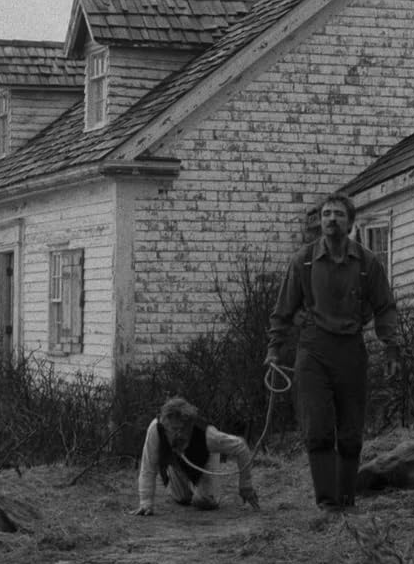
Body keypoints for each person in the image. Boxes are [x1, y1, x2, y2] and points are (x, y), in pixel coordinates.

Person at [265, 192, 400, 512]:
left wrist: (392, 348)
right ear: (320, 221)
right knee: (318, 429)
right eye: (326, 214)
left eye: (339, 214)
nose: (331, 219)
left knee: (351, 432)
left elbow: (385, 307)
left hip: (351, 349)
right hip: (313, 350)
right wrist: (274, 349)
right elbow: (283, 309)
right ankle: (327, 503)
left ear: (350, 223)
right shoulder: (303, 260)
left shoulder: (367, 263)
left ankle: (346, 500)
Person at [132, 396, 260, 515]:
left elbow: (240, 446)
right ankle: (183, 482)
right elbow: (148, 467)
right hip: (177, 462)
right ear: (165, 424)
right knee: (182, 498)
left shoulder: (208, 435)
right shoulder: (155, 429)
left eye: (183, 429)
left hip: (205, 459)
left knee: (205, 501)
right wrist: (146, 502)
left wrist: (245, 485)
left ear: (190, 425)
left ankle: (200, 488)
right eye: (174, 429)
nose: (178, 434)